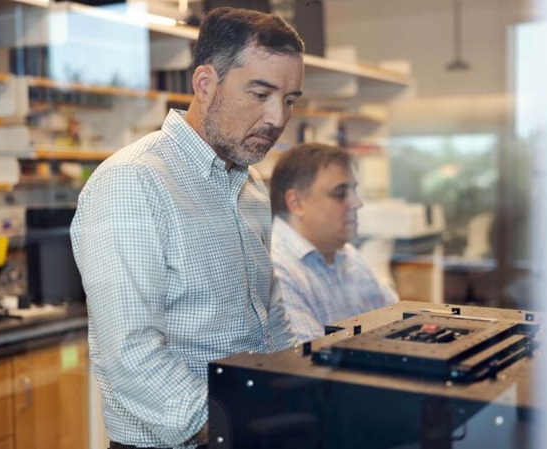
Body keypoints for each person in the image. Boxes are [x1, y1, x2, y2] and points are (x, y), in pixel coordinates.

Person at [70, 8, 304, 449]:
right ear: (205, 84)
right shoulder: (133, 180)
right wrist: (231, 428)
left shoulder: (250, 185)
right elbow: (130, 354)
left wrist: (300, 395)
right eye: (260, 93)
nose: (276, 118)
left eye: (290, 100)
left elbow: (268, 316)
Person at [269, 143, 399, 342]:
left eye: (354, 191)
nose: (357, 203)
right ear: (296, 203)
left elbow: (398, 321)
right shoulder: (276, 270)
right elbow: (310, 362)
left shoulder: (345, 254)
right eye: (340, 193)